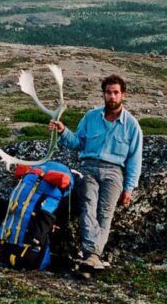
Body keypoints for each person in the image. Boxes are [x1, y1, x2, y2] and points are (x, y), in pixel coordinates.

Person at [48, 74, 143, 272]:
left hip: (114, 172)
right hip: (89, 168)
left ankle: (91, 256)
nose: (112, 97)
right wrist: (63, 131)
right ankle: (93, 256)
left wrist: (129, 188)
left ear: (123, 95)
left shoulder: (132, 126)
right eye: (108, 92)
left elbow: (135, 159)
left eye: (116, 93)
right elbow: (77, 143)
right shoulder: (91, 117)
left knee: (105, 212)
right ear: (104, 94)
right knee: (88, 205)